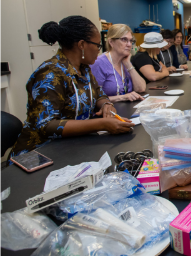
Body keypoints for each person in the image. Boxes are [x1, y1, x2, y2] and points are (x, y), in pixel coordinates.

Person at [9, 16, 135, 161]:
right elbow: (46, 125)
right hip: (40, 154)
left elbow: (99, 93)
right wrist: (101, 124)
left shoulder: (84, 69)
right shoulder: (50, 74)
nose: (98, 51)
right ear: (82, 45)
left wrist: (106, 104)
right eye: (97, 45)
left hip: (72, 146)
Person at [91, 24, 146, 103]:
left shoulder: (125, 61)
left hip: (126, 109)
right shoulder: (99, 63)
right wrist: (123, 97)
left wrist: (128, 64)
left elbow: (141, 88)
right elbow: (93, 99)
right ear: (111, 42)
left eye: (131, 40)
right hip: (108, 112)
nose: (129, 44)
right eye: (124, 39)